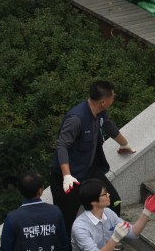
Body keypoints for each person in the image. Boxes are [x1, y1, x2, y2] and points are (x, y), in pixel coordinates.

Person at [50, 80, 136, 235]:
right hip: (70, 176)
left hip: (89, 169)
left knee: (114, 201)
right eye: (112, 96)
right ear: (103, 101)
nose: (114, 98)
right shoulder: (76, 118)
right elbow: (62, 145)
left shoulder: (100, 112)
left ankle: (111, 237)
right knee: (66, 219)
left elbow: (108, 126)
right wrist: (67, 175)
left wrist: (125, 144)